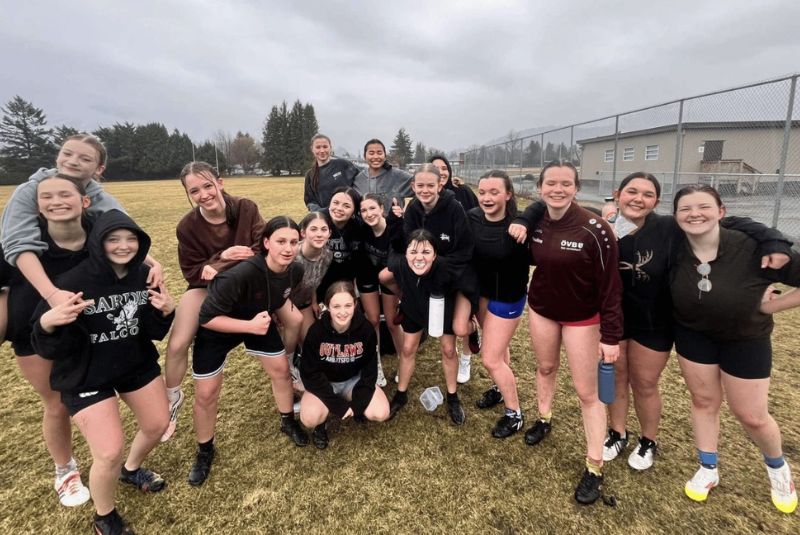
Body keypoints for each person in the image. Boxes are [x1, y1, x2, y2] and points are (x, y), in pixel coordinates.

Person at [594, 172, 792, 470]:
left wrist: (774, 240)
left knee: (644, 383)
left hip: (655, 322)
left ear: (657, 203)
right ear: (617, 194)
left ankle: (648, 440)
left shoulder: (670, 227)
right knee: (618, 378)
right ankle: (617, 433)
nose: (638, 199)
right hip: (614, 320)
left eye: (648, 194)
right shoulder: (604, 229)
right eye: (632, 192)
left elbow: (733, 222)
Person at [31, 209, 175, 535]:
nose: (124, 245)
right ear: (98, 242)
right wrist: (47, 322)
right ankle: (104, 516)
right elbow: (44, 344)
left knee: (157, 424)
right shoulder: (73, 282)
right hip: (86, 374)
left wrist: (167, 312)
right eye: (114, 239)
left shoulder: (143, 276)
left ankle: (131, 470)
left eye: (131, 239)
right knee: (108, 451)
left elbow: (151, 330)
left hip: (134, 364)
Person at [670, 185, 799, 513]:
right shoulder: (674, 244)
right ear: (675, 216)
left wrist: (771, 308)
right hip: (693, 335)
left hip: (746, 338)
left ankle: (778, 469)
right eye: (685, 208)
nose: (694, 214)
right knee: (703, 401)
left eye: (704, 207)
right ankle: (708, 468)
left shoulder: (752, 247)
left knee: (752, 416)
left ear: (721, 212)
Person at [520, 160, 622, 505]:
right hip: (542, 311)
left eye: (566, 184)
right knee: (545, 368)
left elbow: (611, 288)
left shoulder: (597, 229)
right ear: (540, 188)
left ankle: (594, 466)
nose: (558, 189)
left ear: (576, 188)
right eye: (551, 183)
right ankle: (544, 418)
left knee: (586, 392)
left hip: (583, 318)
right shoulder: (535, 221)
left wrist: (610, 336)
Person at [187, 216, 307, 487]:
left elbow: (279, 295)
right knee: (207, 393)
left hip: (258, 322)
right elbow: (206, 318)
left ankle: (287, 421)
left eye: (293, 242)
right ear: (266, 243)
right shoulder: (240, 274)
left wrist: (276, 317)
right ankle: (205, 450)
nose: (288, 248)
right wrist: (250, 326)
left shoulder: (294, 271)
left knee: (281, 371)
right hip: (217, 328)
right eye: (280, 241)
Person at [1, 174, 93, 507]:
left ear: (84, 201)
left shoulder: (98, 232)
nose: (56, 201)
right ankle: (65, 472)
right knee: (57, 404)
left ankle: (117, 461)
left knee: (102, 394)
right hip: (31, 335)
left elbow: (129, 250)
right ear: (37, 206)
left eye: (64, 194)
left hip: (89, 332)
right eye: (47, 197)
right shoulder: (23, 242)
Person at [1, 134, 163, 314]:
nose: (72, 161)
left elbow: (125, 234)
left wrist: (153, 263)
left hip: (72, 269)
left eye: (85, 159)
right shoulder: (29, 191)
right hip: (24, 271)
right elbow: (19, 245)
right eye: (67, 154)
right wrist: (51, 294)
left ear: (99, 169)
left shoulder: (102, 199)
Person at [162, 161, 265, 442]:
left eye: (208, 185)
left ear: (220, 183)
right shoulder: (187, 226)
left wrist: (219, 264)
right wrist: (223, 258)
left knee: (289, 317)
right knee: (178, 342)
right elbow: (193, 272)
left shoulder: (246, 208)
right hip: (207, 288)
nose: (204, 194)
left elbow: (260, 249)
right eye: (194, 190)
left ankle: (292, 369)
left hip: (245, 283)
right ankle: (171, 399)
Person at [468, 170, 544, 438]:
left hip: (508, 297)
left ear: (508, 194)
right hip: (483, 294)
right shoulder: (473, 218)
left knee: (490, 359)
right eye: (483, 191)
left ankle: (515, 413)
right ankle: (500, 390)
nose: (486, 197)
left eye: (494, 192)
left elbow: (545, 202)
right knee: (498, 352)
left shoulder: (519, 224)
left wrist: (525, 219)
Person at [387, 228, 467, 424]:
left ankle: (453, 397)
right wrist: (400, 295)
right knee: (407, 349)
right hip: (414, 309)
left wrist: (466, 319)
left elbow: (467, 287)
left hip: (442, 310)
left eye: (426, 252)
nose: (419, 258)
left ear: (435, 254)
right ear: (405, 254)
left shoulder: (448, 268)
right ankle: (400, 395)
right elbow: (385, 273)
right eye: (413, 252)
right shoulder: (400, 264)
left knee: (448, 350)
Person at [299, 281, 390, 449]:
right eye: (336, 306)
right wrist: (337, 406)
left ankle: (356, 407)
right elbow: (309, 374)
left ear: (355, 304)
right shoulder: (316, 331)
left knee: (381, 412)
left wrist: (358, 404)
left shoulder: (366, 329)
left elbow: (370, 372)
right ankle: (321, 425)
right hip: (325, 383)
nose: (342, 312)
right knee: (310, 419)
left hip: (352, 381)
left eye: (348, 305)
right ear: (327, 306)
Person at [428, 154, 479, 383]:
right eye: (435, 168)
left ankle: (466, 357)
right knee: (448, 324)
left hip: (464, 265)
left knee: (462, 324)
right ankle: (453, 355)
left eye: (444, 168)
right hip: (441, 270)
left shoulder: (463, 192)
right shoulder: (426, 198)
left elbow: (477, 218)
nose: (441, 172)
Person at [357, 193, 404, 386]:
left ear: (382, 209)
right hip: (367, 275)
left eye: (372, 208)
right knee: (373, 320)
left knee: (392, 322)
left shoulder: (393, 229)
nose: (368, 214)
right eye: (364, 210)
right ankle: (375, 365)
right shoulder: (362, 230)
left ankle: (404, 360)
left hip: (388, 278)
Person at [293, 211, 334, 341]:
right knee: (289, 341)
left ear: (329, 234)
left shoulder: (327, 255)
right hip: (282, 305)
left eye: (323, 229)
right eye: (313, 229)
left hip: (304, 303)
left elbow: (314, 281)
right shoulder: (292, 255)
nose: (319, 234)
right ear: (303, 233)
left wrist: (314, 302)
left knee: (310, 340)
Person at [304, 134, 365, 211]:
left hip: (348, 216)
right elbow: (310, 201)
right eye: (318, 147)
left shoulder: (342, 164)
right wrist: (323, 213)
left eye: (325, 147)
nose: (322, 150)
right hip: (326, 219)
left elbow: (364, 176)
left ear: (330, 148)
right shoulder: (310, 175)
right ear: (312, 149)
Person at [353, 138, 413, 213]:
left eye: (379, 153)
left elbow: (421, 187)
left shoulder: (398, 176)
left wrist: (408, 211)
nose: (375, 157)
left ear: (385, 156)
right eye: (371, 153)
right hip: (364, 223)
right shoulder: (358, 180)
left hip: (392, 224)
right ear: (365, 156)